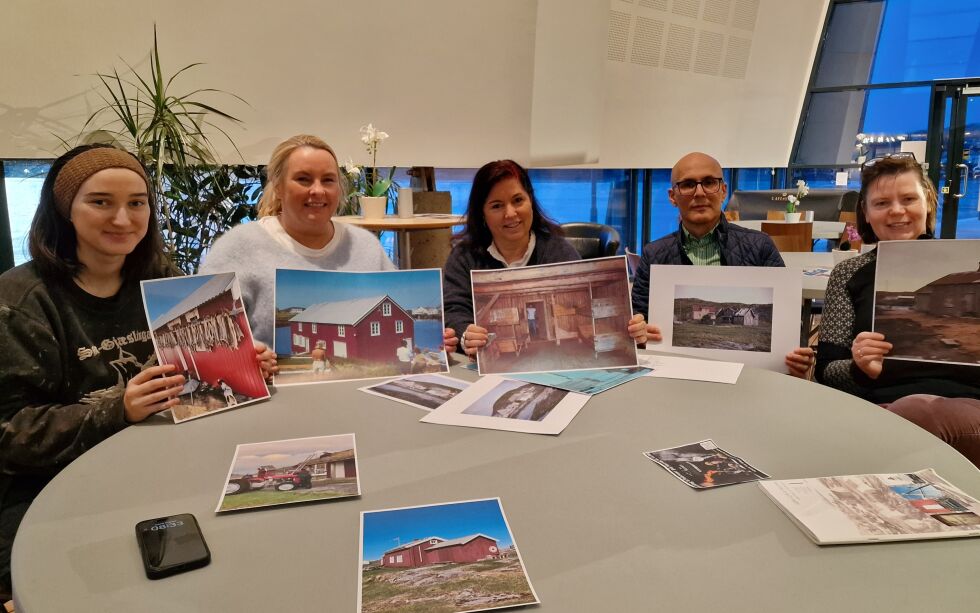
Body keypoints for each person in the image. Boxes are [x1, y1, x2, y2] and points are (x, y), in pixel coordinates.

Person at [0, 144, 274, 601]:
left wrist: (244, 359)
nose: (123, 220)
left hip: (157, 467)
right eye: (101, 202)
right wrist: (118, 408)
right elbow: (10, 434)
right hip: (49, 496)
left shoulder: (162, 278)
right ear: (64, 210)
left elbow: (191, 379)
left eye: (137, 203)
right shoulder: (22, 303)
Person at [200, 134, 457, 354]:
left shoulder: (364, 245)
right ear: (278, 187)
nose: (318, 190)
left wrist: (437, 341)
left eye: (328, 180)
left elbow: (399, 309)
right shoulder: (238, 247)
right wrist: (251, 355)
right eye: (303, 179)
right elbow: (204, 334)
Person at [814, 154, 980, 466]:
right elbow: (825, 373)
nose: (897, 211)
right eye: (881, 203)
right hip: (879, 408)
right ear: (866, 212)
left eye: (908, 199)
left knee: (914, 414)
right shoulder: (849, 274)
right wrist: (858, 369)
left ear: (928, 204)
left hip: (967, 409)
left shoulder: (968, 262)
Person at [443, 160, 657, 356]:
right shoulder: (463, 255)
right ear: (482, 213)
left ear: (530, 201)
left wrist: (628, 328)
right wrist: (465, 335)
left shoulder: (560, 252)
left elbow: (590, 306)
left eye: (518, 200)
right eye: (496, 205)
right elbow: (453, 309)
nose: (510, 213)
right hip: (481, 369)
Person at [630, 151, 814, 377]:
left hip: (751, 379)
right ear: (672, 196)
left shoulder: (760, 247)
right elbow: (637, 319)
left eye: (709, 182)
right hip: (677, 377)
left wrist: (794, 356)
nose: (699, 193)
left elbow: (789, 326)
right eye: (688, 184)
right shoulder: (654, 254)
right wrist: (637, 331)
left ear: (723, 190)